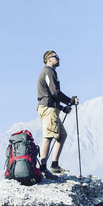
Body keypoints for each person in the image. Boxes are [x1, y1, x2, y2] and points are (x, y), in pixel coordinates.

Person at [37, 50, 78, 180]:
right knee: (48, 136)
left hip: (51, 108)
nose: (58, 59)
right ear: (49, 59)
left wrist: (61, 108)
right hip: (48, 109)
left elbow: (50, 94)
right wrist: (69, 101)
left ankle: (54, 165)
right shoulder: (48, 71)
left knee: (62, 135)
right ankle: (43, 169)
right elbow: (54, 92)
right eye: (56, 57)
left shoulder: (50, 72)